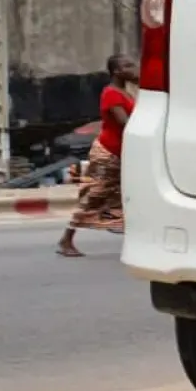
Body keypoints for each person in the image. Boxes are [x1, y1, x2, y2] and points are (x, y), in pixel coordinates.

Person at [57, 54, 138, 256]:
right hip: (109, 153)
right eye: (127, 66)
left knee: (125, 195)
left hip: (120, 153)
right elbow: (125, 123)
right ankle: (66, 239)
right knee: (95, 196)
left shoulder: (125, 92)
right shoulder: (111, 93)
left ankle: (132, 236)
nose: (133, 68)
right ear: (116, 71)